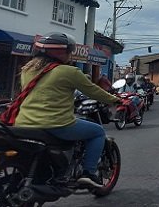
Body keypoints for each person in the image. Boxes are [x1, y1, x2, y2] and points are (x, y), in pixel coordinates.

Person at [15, 33, 120, 188]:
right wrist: (115, 100)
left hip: (23, 123)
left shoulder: (27, 70)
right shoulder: (69, 71)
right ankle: (88, 173)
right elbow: (94, 91)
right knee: (97, 131)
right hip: (56, 124)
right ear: (61, 52)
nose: (70, 55)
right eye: (69, 51)